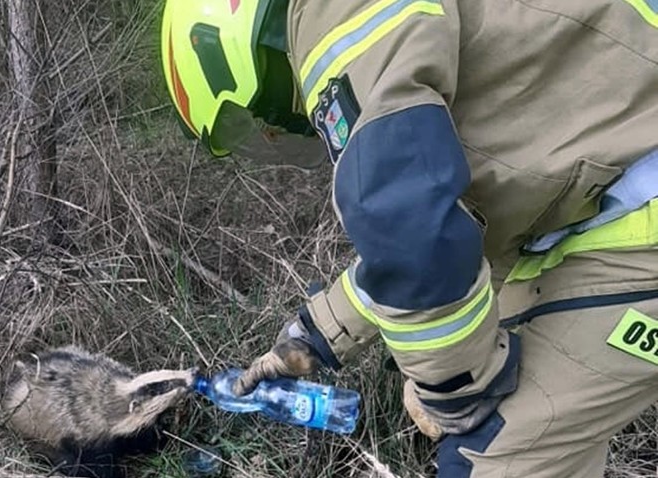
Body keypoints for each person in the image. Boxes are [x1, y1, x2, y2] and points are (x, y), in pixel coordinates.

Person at [160, 1, 658, 476]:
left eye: (256, 122)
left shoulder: (328, 13)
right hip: (616, 196)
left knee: (495, 450)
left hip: (634, 209)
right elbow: (447, 223)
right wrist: (317, 334)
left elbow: (405, 221)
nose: (275, 132)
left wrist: (456, 388)